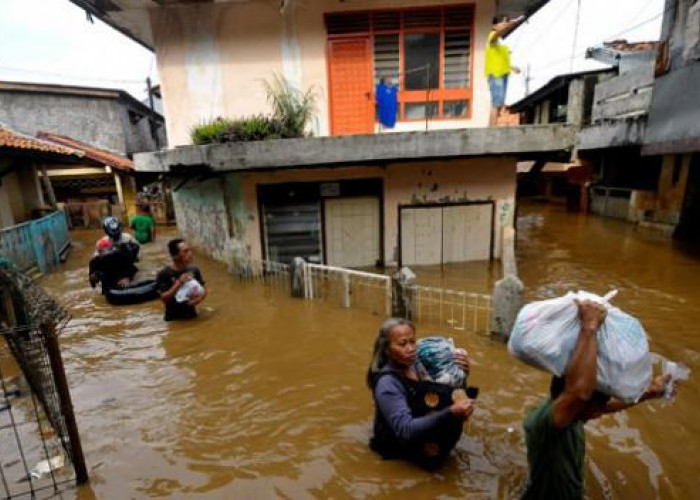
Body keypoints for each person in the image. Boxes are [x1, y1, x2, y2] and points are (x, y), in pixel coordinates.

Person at [522, 300, 676, 499]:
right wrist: (589, 328)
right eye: (594, 407)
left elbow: (603, 406)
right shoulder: (546, 423)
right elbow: (580, 393)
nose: (598, 413)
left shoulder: (571, 416)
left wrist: (649, 393)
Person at [367, 318, 475, 469]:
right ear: (387, 349)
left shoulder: (419, 364)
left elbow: (445, 390)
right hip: (400, 455)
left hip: (428, 441)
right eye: (402, 344)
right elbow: (405, 429)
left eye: (412, 341)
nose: (410, 348)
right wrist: (450, 413)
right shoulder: (388, 384)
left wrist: (461, 374)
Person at [485, 15, 525, 126]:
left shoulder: (499, 43)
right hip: (495, 74)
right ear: (494, 25)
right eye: (501, 22)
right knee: (496, 103)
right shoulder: (492, 36)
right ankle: (491, 129)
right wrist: (509, 24)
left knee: (499, 104)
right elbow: (496, 34)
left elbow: (501, 60)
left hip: (502, 73)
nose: (504, 24)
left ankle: (493, 126)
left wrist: (512, 68)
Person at [156, 238, 207, 321]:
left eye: (190, 250)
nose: (190, 254)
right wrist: (179, 283)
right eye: (185, 251)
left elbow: (204, 290)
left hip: (192, 317)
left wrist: (199, 299)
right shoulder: (165, 274)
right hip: (173, 320)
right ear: (175, 256)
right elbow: (164, 298)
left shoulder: (194, 270)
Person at [89, 216, 140, 292]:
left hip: (124, 268)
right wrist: (94, 277)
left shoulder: (128, 239)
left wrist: (127, 277)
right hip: (108, 271)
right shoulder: (101, 244)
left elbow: (132, 261)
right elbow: (95, 263)